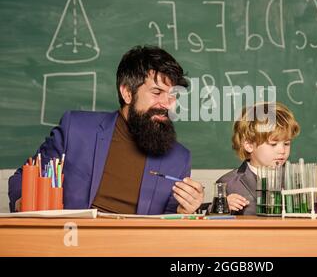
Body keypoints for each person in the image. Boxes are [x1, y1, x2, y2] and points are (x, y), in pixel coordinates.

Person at [8, 45, 204, 214]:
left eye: (172, 95)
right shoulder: (75, 129)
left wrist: (184, 212)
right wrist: (24, 203)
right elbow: (23, 180)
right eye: (157, 92)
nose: (167, 104)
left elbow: (168, 225)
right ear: (127, 92)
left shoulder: (179, 158)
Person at [216, 102, 317, 215]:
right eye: (273, 144)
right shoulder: (228, 183)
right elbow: (212, 226)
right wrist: (221, 207)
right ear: (249, 145)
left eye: (287, 143)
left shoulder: (298, 179)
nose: (282, 151)